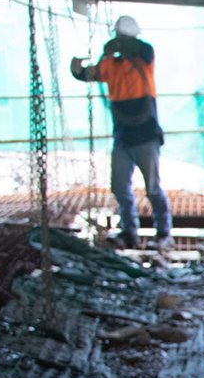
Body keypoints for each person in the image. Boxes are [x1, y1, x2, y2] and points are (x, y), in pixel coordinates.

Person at [70, 15, 171, 249]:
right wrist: (77, 69)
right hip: (123, 137)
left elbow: (143, 49)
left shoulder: (144, 57)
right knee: (119, 187)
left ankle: (164, 234)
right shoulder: (110, 64)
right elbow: (89, 74)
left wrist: (117, 47)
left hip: (146, 135)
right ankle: (129, 234)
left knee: (153, 188)